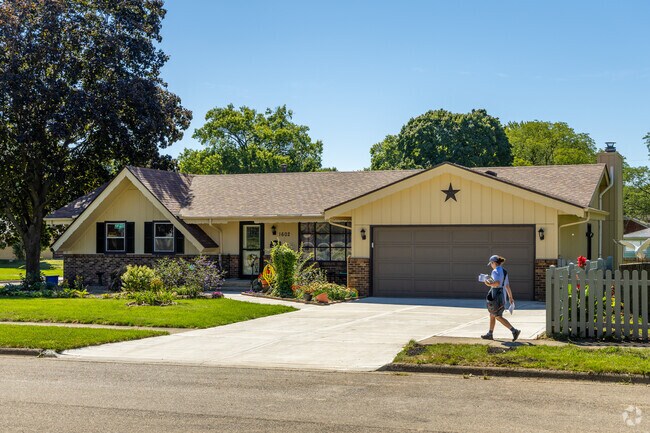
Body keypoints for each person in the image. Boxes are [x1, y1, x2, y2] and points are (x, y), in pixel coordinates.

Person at [481, 255, 520, 341]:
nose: (491, 265)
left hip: (496, 295)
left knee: (497, 315)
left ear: (494, 263)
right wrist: (510, 297)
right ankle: (490, 334)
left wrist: (487, 283)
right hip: (502, 295)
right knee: (492, 314)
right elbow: (507, 285)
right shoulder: (504, 271)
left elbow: (497, 283)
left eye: (491, 263)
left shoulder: (495, 271)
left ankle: (514, 331)